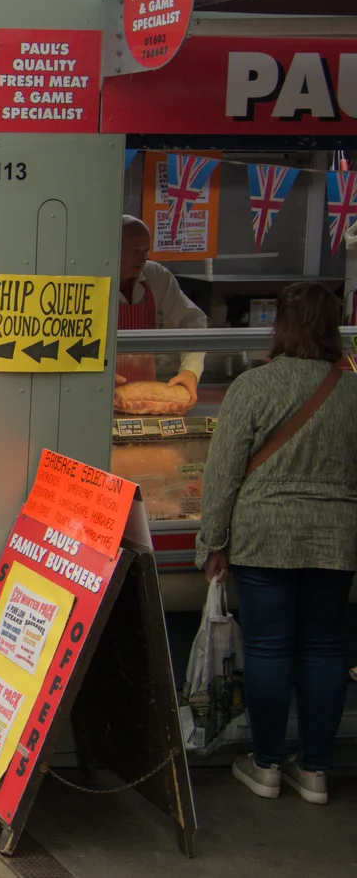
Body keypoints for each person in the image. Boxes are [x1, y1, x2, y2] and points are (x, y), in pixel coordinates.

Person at [196, 282, 357, 805]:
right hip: (336, 537)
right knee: (325, 647)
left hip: (264, 535)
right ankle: (313, 772)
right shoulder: (353, 390)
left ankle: (265, 764)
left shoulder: (253, 386)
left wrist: (211, 543)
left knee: (266, 647)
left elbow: (221, 474)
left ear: (281, 327)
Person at [116, 215, 208, 407]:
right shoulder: (90, 280)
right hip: (100, 390)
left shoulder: (157, 278)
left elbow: (192, 321)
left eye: (145, 250)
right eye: (134, 251)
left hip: (147, 396)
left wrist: (190, 371)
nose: (142, 258)